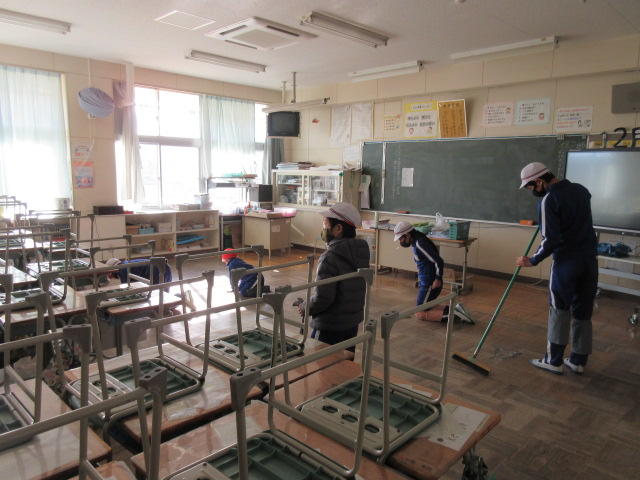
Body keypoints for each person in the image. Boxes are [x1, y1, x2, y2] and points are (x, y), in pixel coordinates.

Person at [516, 162, 598, 375]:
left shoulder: (549, 200)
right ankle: (578, 361)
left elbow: (550, 239)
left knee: (559, 309)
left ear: (539, 181)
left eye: (530, 186)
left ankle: (553, 361)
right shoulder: (581, 190)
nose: (531, 191)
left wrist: (533, 260)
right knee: (583, 310)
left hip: (566, 263)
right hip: (589, 261)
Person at [299, 202, 370, 348]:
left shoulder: (329, 257)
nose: (323, 229)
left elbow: (323, 298)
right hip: (351, 323)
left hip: (329, 325)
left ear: (338, 229)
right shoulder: (361, 251)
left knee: (317, 359)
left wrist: (306, 307)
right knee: (345, 359)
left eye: (325, 225)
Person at [393, 221, 448, 322]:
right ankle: (453, 310)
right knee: (426, 306)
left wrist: (438, 279)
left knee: (419, 313)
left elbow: (438, 261)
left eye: (401, 238)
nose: (400, 241)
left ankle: (455, 316)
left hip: (430, 283)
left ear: (407, 235)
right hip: (426, 281)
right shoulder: (417, 239)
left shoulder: (420, 243)